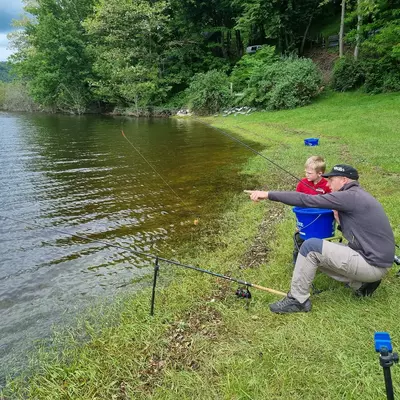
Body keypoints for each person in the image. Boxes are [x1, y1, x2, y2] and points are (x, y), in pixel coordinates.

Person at [245, 164, 395, 314]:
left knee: (310, 247)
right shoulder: (358, 195)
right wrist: (339, 219)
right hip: (375, 261)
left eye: (331, 180)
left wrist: (267, 194)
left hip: (371, 264)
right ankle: (361, 284)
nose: (328, 184)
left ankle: (297, 300)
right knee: (320, 252)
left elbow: (305, 200)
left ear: (343, 180)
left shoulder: (348, 196)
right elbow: (359, 231)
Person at [293, 156, 331, 265]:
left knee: (322, 240)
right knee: (300, 238)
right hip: (305, 218)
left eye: (309, 173)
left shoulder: (327, 185)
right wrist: (298, 221)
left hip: (321, 218)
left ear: (320, 173)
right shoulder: (302, 183)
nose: (306, 175)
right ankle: (297, 260)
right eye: (306, 172)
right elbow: (297, 202)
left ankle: (323, 261)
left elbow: (332, 202)